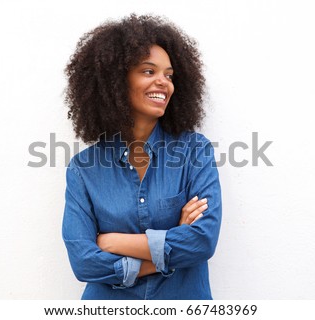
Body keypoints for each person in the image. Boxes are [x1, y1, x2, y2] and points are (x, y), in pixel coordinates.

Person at [62, 14, 222, 300]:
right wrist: (171, 245)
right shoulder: (83, 169)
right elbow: (84, 262)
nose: (164, 82)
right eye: (149, 72)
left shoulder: (195, 151)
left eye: (169, 75)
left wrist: (114, 242)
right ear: (116, 81)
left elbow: (202, 241)